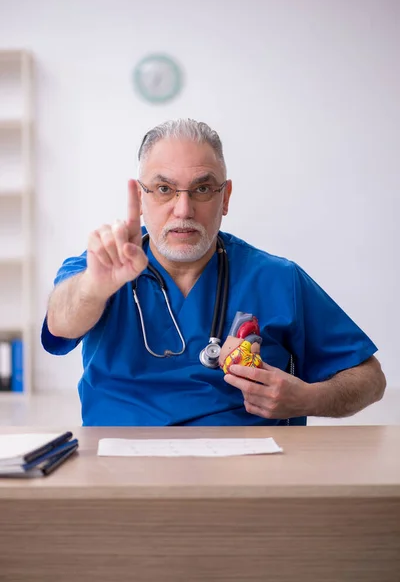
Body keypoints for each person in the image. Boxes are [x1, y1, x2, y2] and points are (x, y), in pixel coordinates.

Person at [42, 119, 386, 426]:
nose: (183, 209)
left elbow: (369, 379)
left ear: (225, 197)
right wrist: (95, 286)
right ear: (141, 197)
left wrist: (308, 399)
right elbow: (60, 323)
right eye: (164, 189)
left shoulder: (278, 279)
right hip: (120, 466)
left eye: (202, 189)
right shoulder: (99, 267)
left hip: (246, 473)